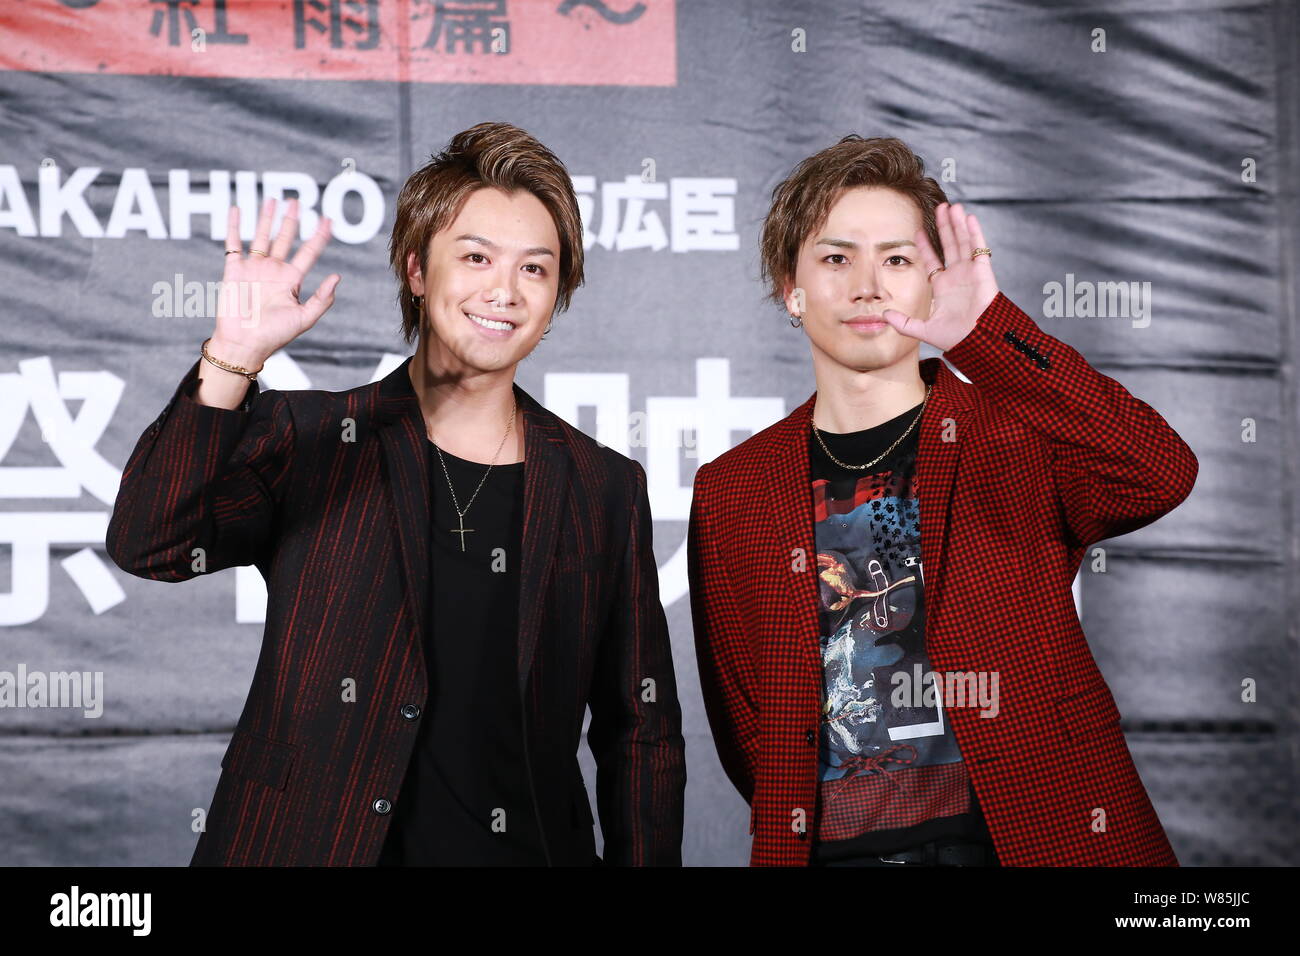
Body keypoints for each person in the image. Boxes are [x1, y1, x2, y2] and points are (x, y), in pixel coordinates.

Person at [107, 122, 685, 866]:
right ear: (417, 271)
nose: (502, 291)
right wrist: (233, 360)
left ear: (558, 294)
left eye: (534, 270)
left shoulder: (601, 486)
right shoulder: (313, 438)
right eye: (474, 257)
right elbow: (150, 542)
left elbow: (641, 731)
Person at [688, 135, 1196, 867]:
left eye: (897, 259)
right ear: (788, 287)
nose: (868, 285)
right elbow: (752, 723)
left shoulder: (1017, 428)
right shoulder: (733, 486)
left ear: (932, 280)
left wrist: (989, 333)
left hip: (1037, 841)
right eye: (836, 259)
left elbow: (1156, 471)